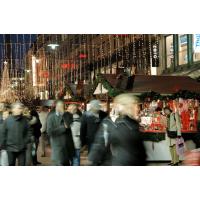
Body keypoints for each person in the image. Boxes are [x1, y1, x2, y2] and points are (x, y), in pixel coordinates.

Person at [88, 93, 146, 166]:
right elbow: (99, 147)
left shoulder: (133, 124)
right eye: (135, 105)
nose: (138, 108)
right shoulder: (111, 123)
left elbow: (140, 150)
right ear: (128, 107)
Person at [47, 100, 75, 166]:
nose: (61, 107)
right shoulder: (51, 117)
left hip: (67, 148)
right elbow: (49, 132)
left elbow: (69, 124)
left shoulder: (66, 115)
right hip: (57, 148)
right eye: (60, 106)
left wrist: (64, 113)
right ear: (56, 107)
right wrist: (63, 128)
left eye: (62, 106)